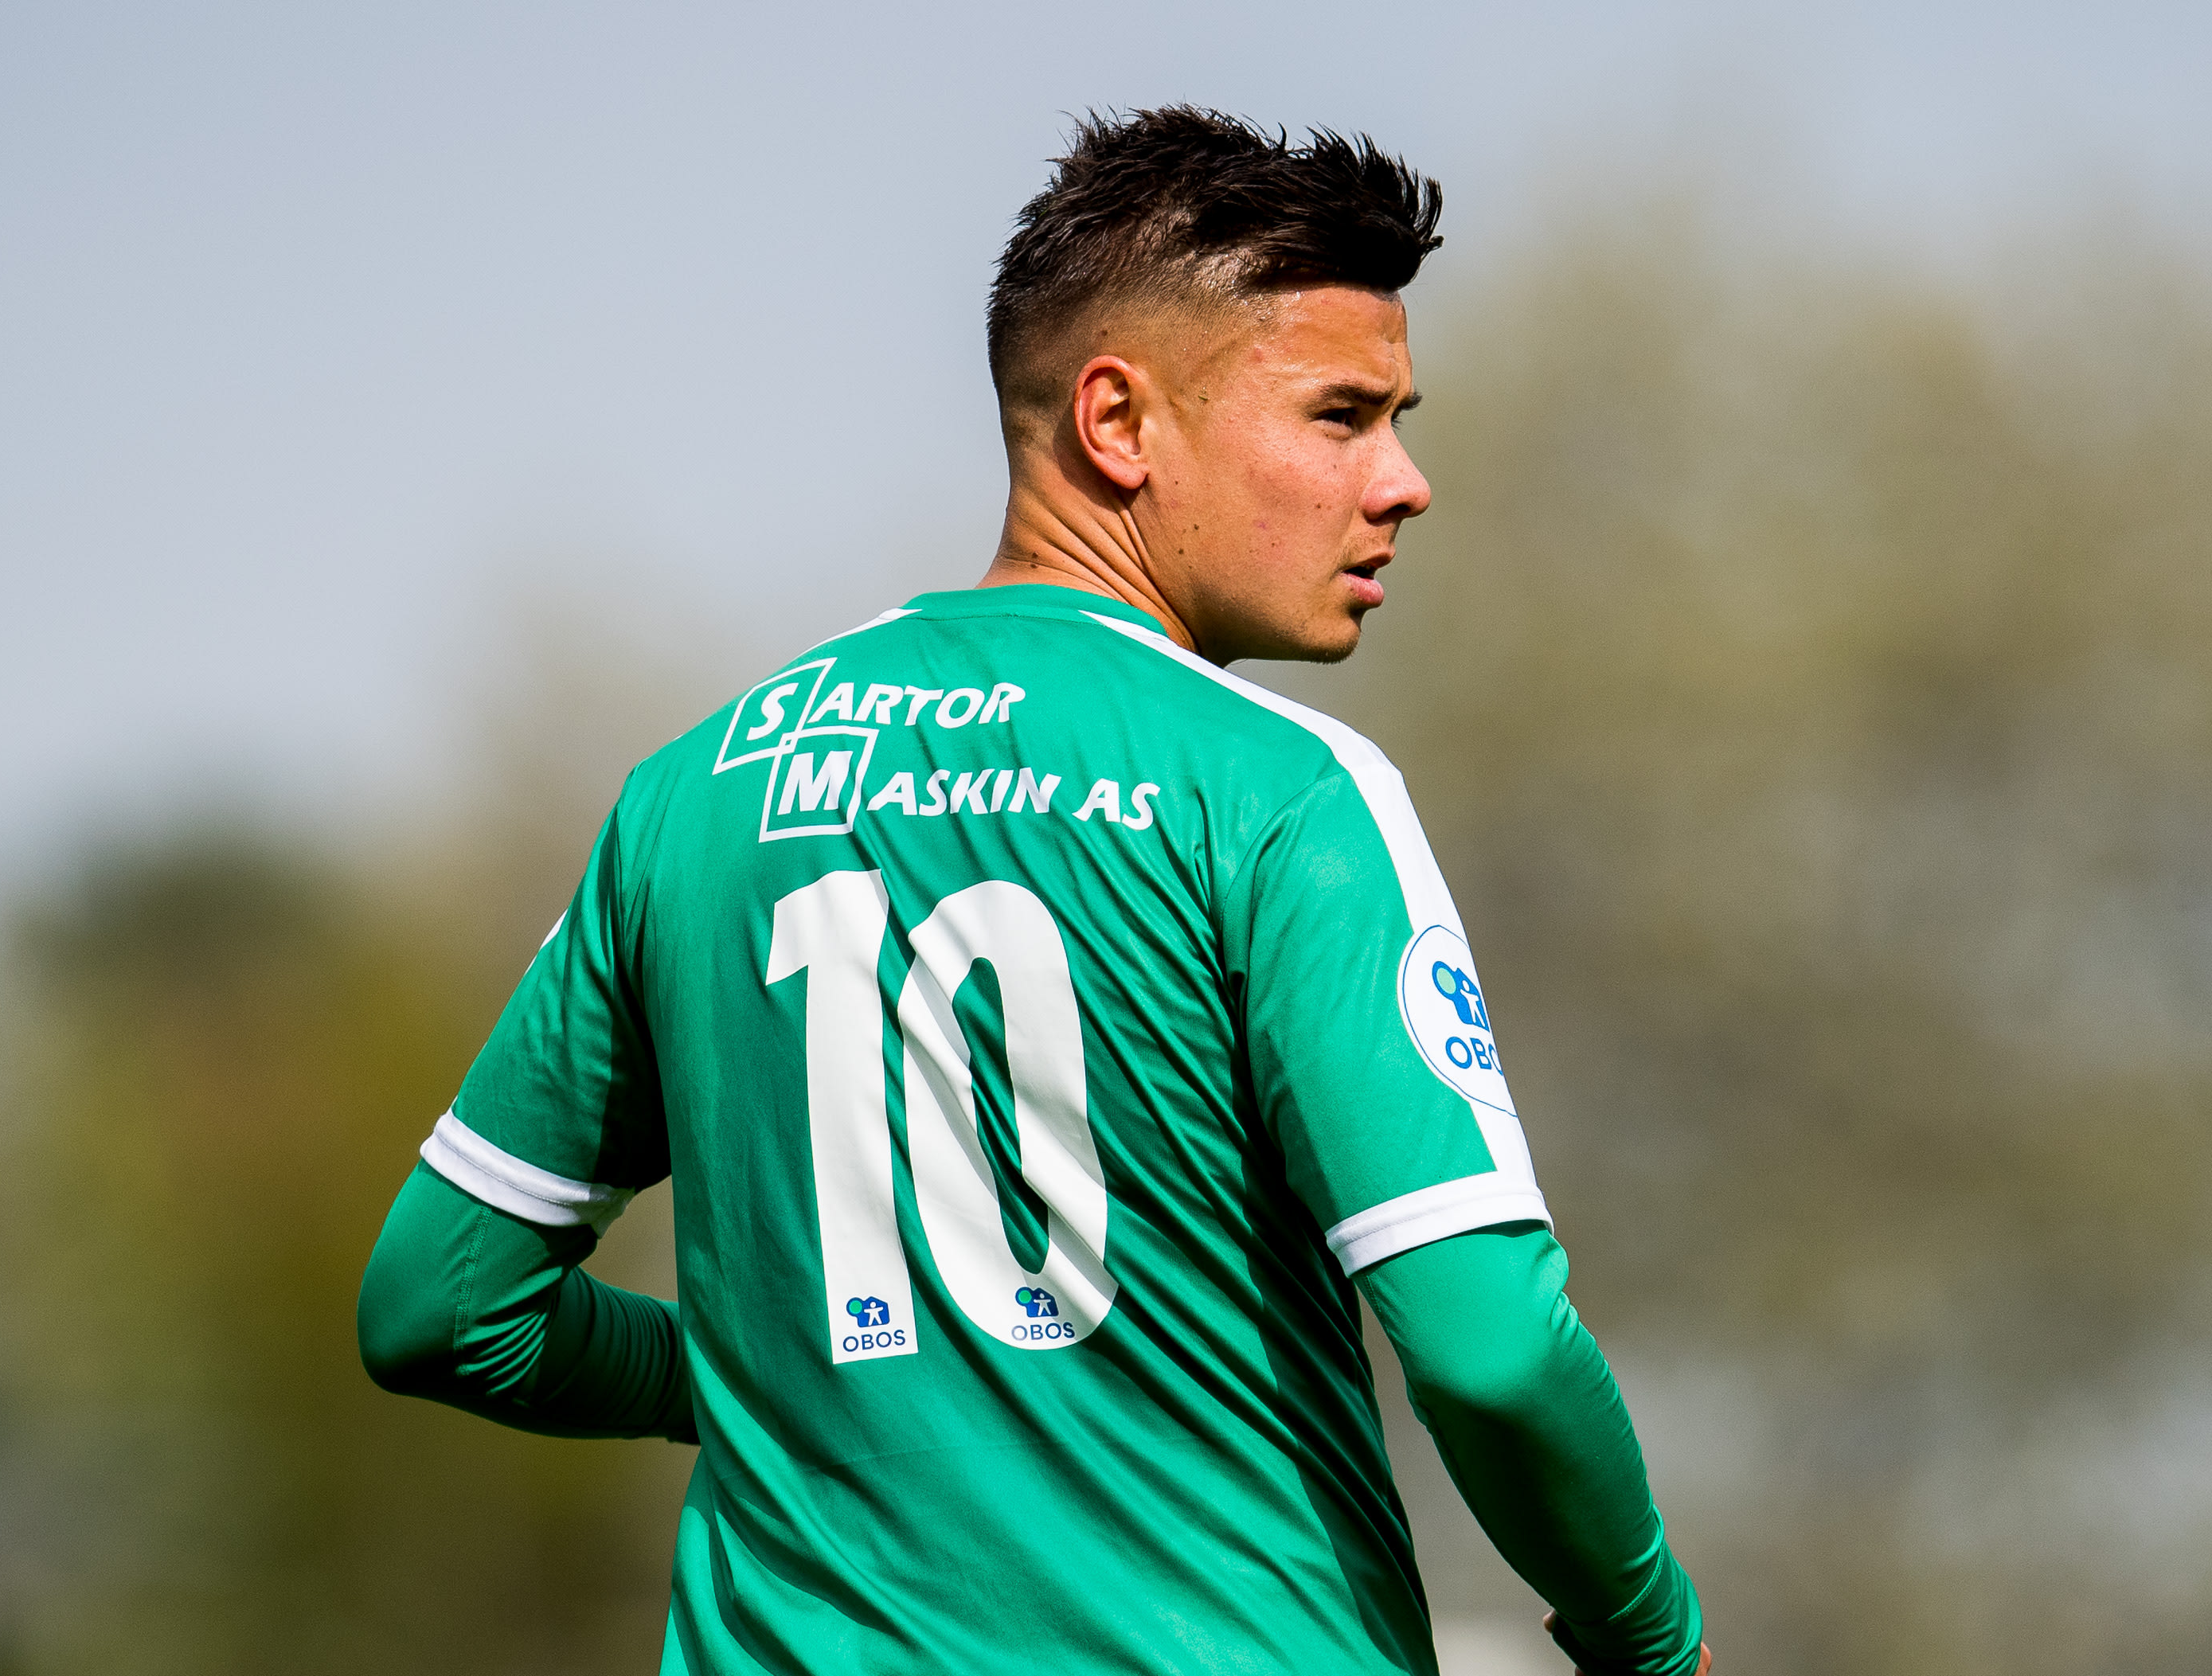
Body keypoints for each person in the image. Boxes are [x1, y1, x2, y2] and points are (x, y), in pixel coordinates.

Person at [357, 106, 1706, 1676]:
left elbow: (442, 1303)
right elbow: (1490, 1351)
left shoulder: (693, 794)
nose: (1403, 482)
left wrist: (747, 1379)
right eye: (1340, 416)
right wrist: (1646, 1635)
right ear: (1117, 422)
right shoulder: (1285, 796)